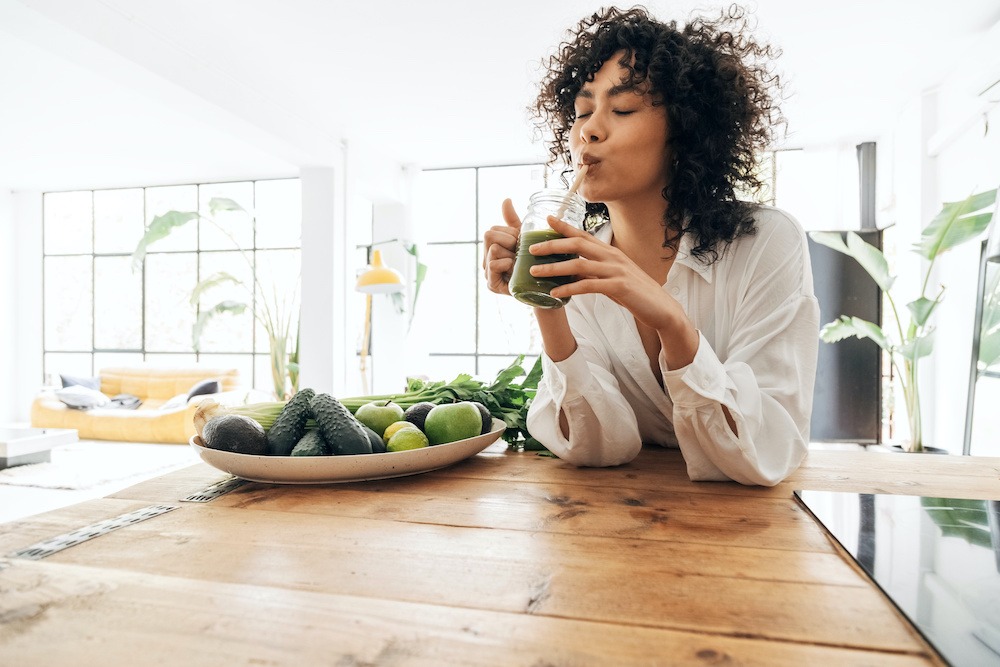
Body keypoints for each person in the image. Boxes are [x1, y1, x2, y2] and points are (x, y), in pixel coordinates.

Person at [482, 5, 819, 485]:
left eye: (622, 109)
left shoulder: (766, 242)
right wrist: (545, 298)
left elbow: (766, 451)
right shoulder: (577, 258)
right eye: (582, 111)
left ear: (684, 129)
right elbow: (595, 447)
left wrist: (671, 322)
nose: (589, 130)